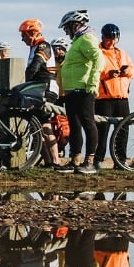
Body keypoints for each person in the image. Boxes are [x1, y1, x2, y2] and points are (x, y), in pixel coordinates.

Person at [55, 10, 100, 174]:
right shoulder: (77, 41)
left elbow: (98, 59)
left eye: (66, 28)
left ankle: (90, 161)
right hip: (71, 90)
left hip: (84, 89)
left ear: (75, 25)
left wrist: (93, 83)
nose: (65, 31)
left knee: (88, 123)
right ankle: (75, 160)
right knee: (74, 125)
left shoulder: (87, 39)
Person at [93, 23, 134, 169]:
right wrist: (108, 74)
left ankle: (120, 160)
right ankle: (97, 160)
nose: (112, 42)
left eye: (115, 38)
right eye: (109, 39)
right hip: (104, 98)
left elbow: (132, 69)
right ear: (103, 37)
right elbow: (93, 71)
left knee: (123, 130)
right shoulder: (97, 52)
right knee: (102, 131)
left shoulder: (122, 53)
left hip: (122, 98)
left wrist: (126, 71)